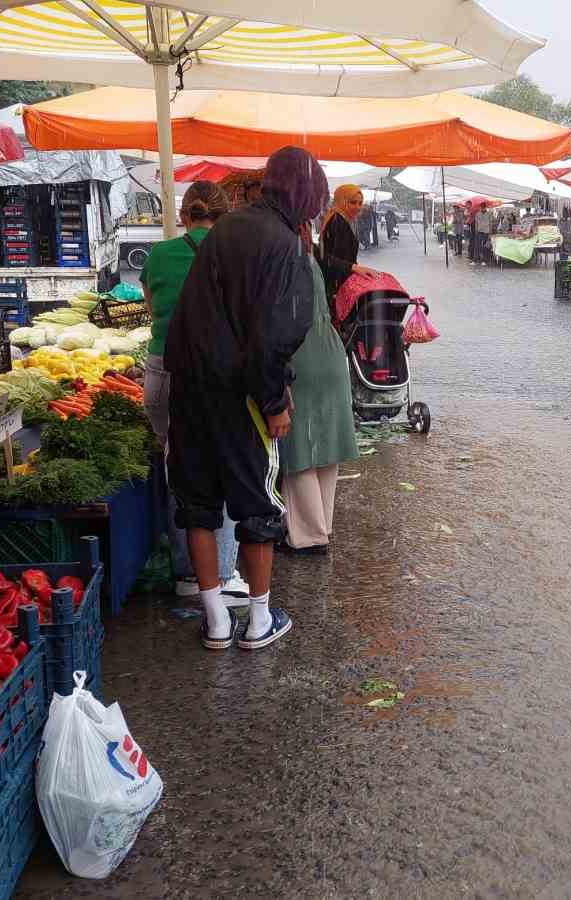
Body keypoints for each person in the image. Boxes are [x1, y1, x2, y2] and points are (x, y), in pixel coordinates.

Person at [164, 145, 330, 651]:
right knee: (257, 506)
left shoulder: (228, 227)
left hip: (190, 389)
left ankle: (215, 620)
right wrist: (275, 401)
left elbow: (191, 315)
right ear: (305, 193)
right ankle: (258, 621)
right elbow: (273, 338)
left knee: (198, 504)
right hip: (242, 398)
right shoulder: (285, 245)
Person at [140, 180, 251, 607]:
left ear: (184, 215)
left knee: (177, 471)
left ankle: (188, 573)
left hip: (161, 371)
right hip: (216, 374)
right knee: (222, 469)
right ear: (224, 215)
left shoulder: (159, 255)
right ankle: (221, 576)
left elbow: (153, 308)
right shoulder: (235, 253)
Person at [276, 195, 363, 555]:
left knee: (298, 448)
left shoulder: (285, 258)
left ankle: (308, 536)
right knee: (327, 446)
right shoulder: (310, 255)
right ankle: (321, 525)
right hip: (331, 352)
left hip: (304, 352)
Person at [317, 184, 380, 303]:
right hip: (335, 288)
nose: (357, 207)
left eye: (360, 203)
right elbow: (325, 258)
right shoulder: (337, 222)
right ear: (342, 200)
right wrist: (353, 267)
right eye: (353, 202)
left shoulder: (342, 219)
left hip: (339, 284)